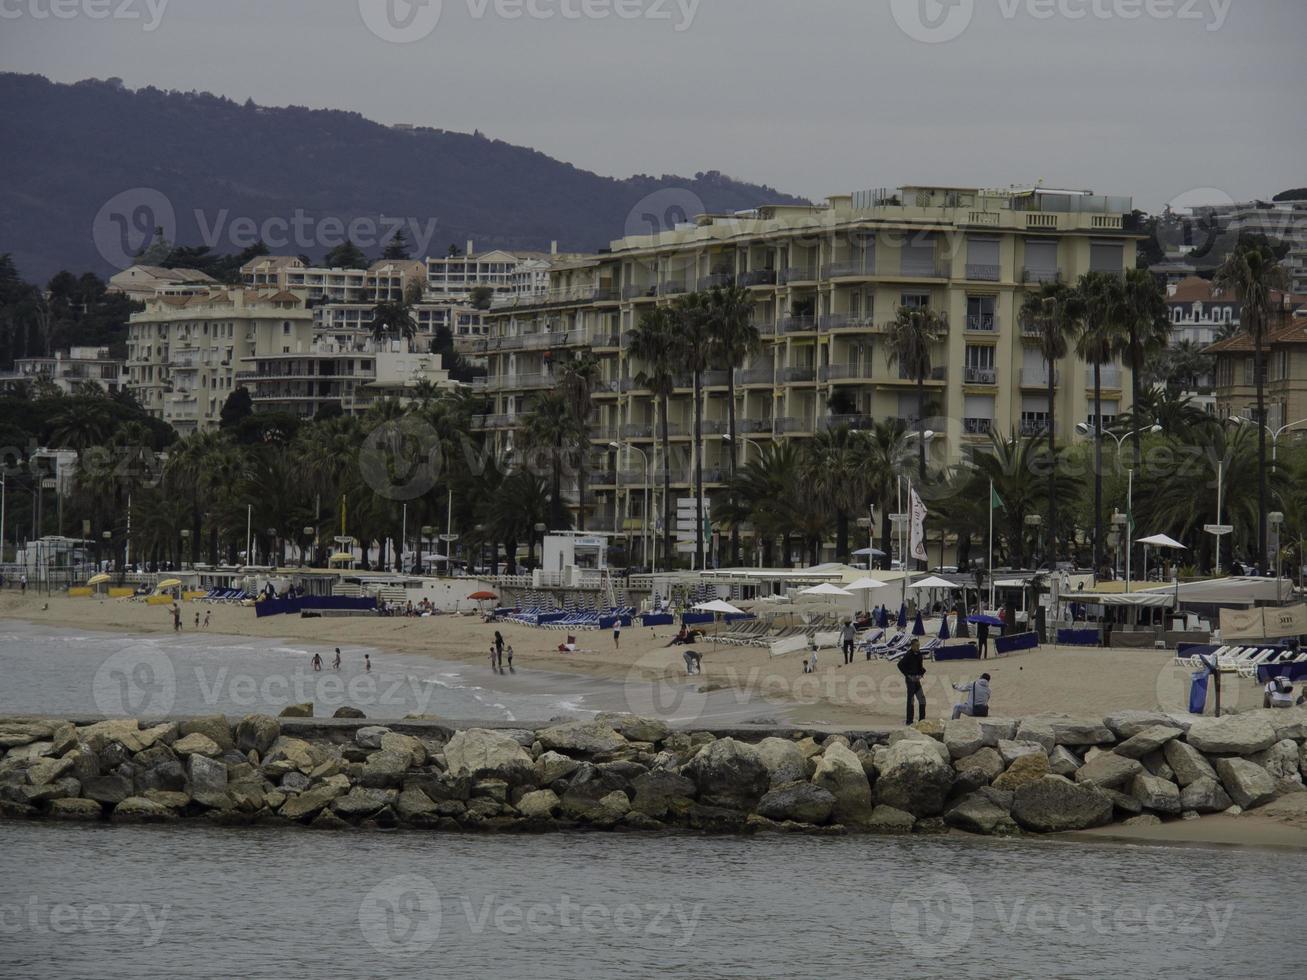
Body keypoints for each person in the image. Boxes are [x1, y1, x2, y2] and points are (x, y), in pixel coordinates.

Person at [897, 639, 927, 726]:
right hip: (910, 680)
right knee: (911, 701)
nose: (918, 647)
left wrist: (921, 674)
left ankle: (922, 720)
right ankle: (909, 721)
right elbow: (899, 665)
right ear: (912, 646)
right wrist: (907, 675)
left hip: (917, 680)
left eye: (919, 645)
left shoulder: (919, 654)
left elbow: (920, 666)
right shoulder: (908, 655)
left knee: (922, 699)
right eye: (917, 645)